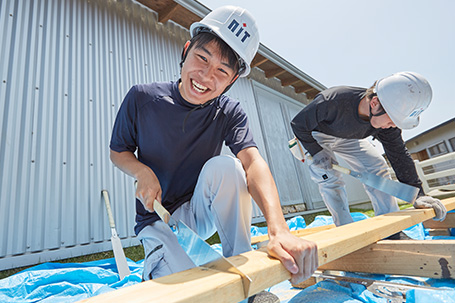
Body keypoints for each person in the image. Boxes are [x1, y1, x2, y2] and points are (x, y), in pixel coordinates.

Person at [109, 5, 318, 300]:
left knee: (229, 167)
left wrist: (279, 230)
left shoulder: (229, 112)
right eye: (202, 58)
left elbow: (253, 162)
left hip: (197, 210)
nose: (206, 76)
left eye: (222, 70)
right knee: (193, 292)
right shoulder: (143, 98)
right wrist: (141, 171)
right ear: (186, 50)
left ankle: (252, 281)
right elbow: (118, 152)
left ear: (232, 80)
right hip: (158, 220)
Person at [291, 71, 447, 229]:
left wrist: (418, 193)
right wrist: (316, 151)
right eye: (393, 119)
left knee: (376, 165)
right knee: (329, 176)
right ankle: (346, 229)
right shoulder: (332, 100)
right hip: (319, 135)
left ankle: (390, 228)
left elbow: (399, 155)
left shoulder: (387, 125)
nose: (393, 126)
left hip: (349, 137)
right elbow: (298, 124)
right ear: (375, 103)